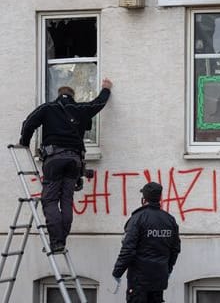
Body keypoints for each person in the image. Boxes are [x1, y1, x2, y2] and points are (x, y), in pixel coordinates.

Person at [18, 78, 113, 252]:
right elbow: (98, 103)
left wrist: (24, 142)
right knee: (66, 200)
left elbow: (29, 123)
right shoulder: (79, 109)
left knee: (50, 200)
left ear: (59, 95)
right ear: (73, 96)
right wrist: (106, 89)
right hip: (74, 161)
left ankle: (57, 242)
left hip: (54, 159)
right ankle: (62, 239)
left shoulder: (48, 108)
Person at [112, 182, 181, 303]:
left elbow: (128, 249)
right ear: (159, 198)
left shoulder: (137, 219)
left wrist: (117, 272)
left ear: (144, 199)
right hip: (159, 279)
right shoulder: (169, 220)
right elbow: (175, 249)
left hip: (139, 281)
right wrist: (167, 269)